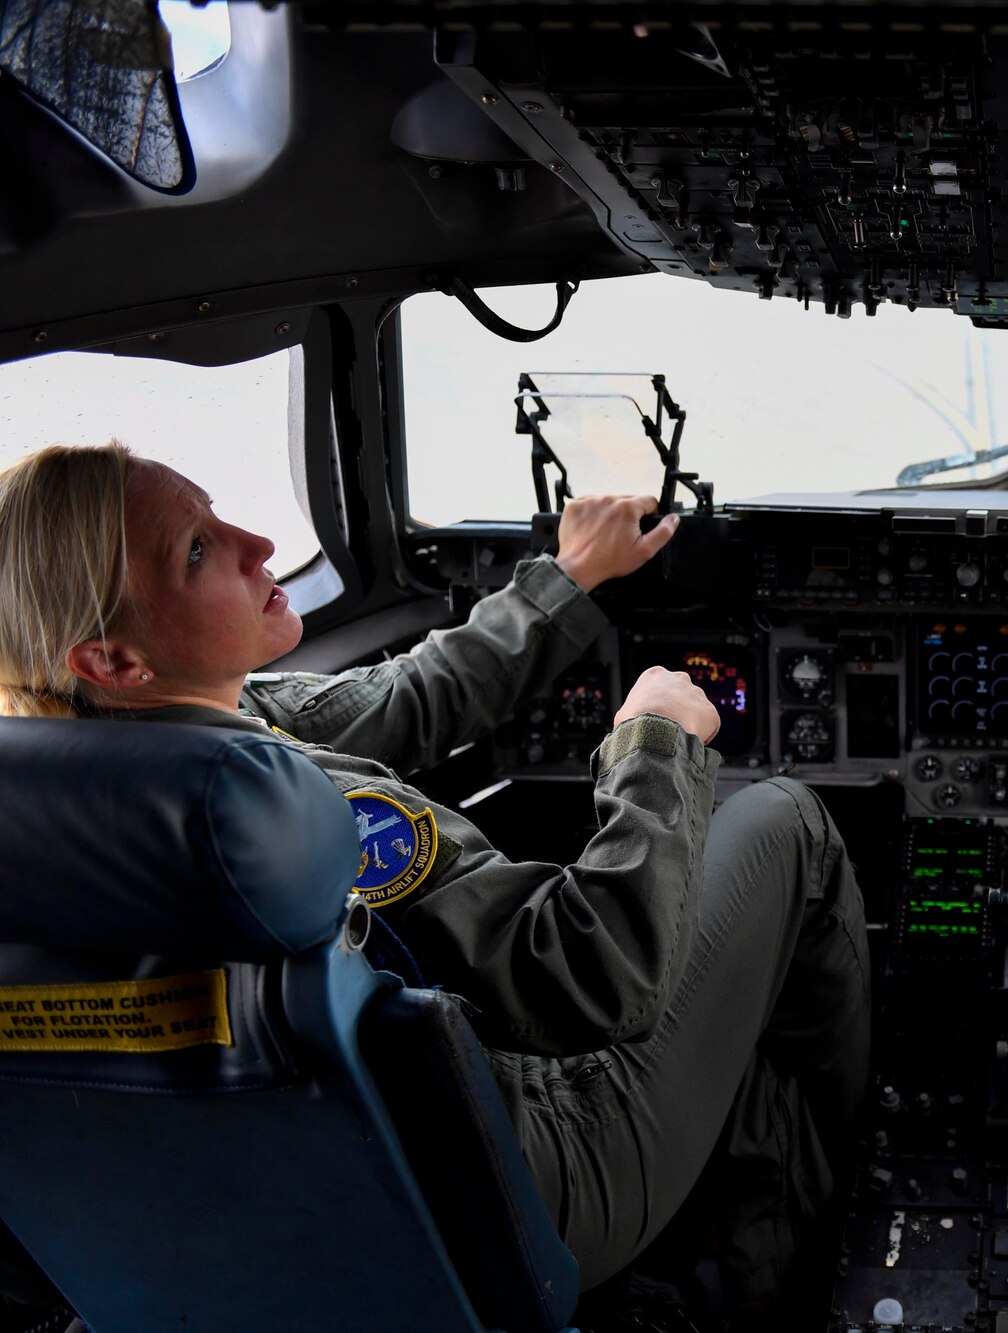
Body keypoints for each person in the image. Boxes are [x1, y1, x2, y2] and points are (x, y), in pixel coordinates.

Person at [0, 442, 870, 1325]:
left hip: (198, 1242)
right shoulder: (289, 821)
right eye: (196, 550)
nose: (257, 541)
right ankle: (843, 1185)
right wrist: (655, 742)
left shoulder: (82, 796)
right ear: (112, 661)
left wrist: (569, 575)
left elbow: (415, 693)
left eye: (219, 515)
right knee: (786, 821)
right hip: (526, 1183)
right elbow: (593, 970)